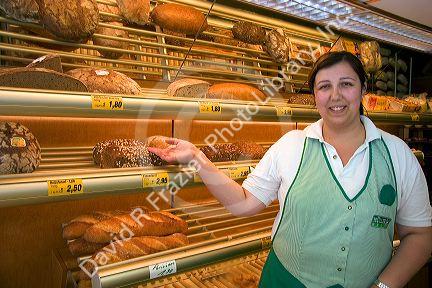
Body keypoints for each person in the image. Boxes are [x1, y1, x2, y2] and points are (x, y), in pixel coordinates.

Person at [149, 51, 432, 288]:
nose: (335, 96)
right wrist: (198, 157)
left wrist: (383, 286)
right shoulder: (291, 146)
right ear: (315, 96)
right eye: (324, 87)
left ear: (363, 89)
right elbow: (245, 203)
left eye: (346, 84)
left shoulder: (397, 155)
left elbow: (419, 236)